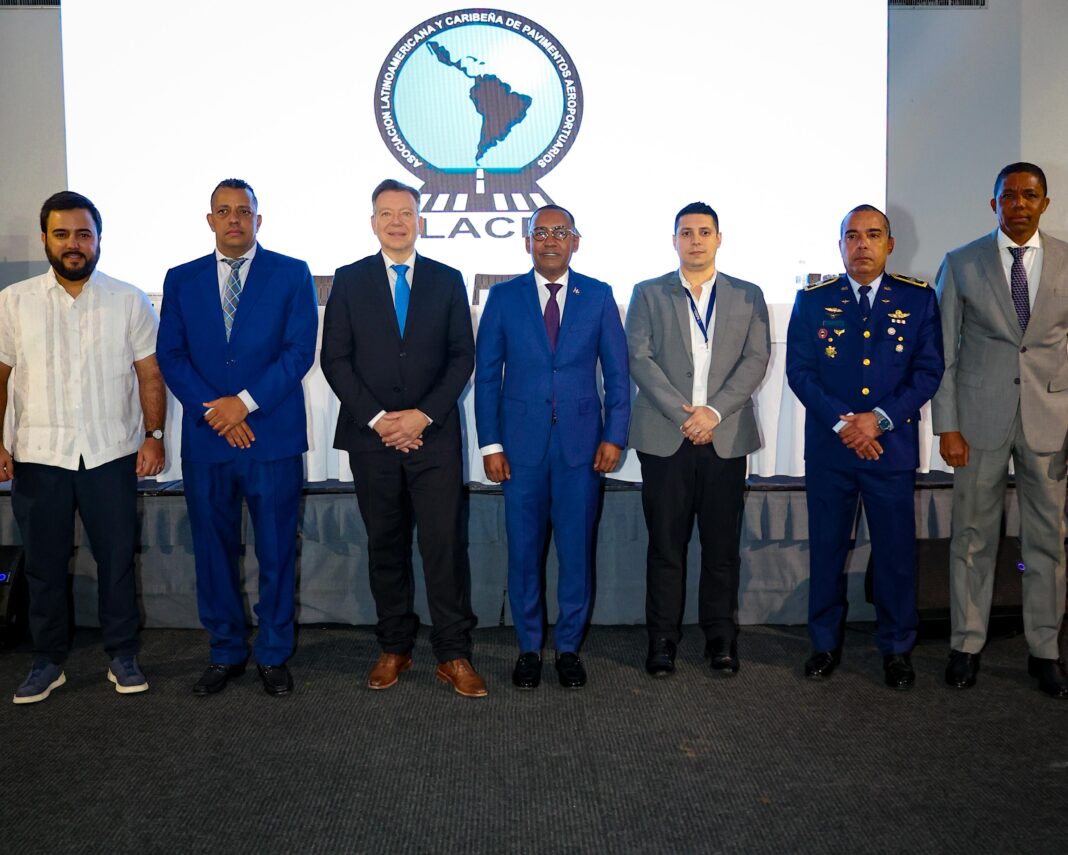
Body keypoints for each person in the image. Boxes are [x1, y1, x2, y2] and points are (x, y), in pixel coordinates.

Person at [320, 179, 485, 698]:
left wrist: (422, 417)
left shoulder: (447, 279)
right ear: (373, 223)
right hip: (372, 440)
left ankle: (453, 653)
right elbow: (335, 360)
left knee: (444, 547)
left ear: (420, 221)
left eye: (406, 213)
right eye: (387, 213)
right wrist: (380, 421)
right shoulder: (349, 280)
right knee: (385, 546)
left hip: (433, 440)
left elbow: (462, 356)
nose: (397, 222)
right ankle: (394, 647)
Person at [1, 191, 165, 704]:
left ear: (98, 239)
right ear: (45, 239)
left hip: (109, 454)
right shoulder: (14, 301)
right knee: (44, 566)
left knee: (116, 562)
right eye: (62, 234)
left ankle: (123, 655)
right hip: (38, 455)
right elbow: (1, 377)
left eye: (83, 234)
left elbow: (150, 374)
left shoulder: (129, 299)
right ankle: (48, 662)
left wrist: (155, 435)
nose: (74, 244)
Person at [156, 179, 316, 697]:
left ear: (257, 220)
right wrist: (217, 411)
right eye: (223, 211)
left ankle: (273, 653)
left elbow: (298, 351)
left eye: (243, 211)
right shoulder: (181, 279)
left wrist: (243, 404)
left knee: (276, 551)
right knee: (212, 550)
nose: (234, 219)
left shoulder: (292, 273)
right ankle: (225, 651)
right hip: (208, 440)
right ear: (210, 221)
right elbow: (171, 355)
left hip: (271, 437)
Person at [786, 205, 944, 689]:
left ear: (889, 244)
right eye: (852, 236)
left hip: (889, 449)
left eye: (873, 235)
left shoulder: (917, 299)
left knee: (895, 555)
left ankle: (896, 648)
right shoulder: (813, 300)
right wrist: (845, 423)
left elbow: (928, 372)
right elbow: (800, 372)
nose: (862, 245)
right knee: (827, 550)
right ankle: (824, 644)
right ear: (840, 246)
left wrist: (877, 420)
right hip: (831, 450)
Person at [474, 205, 630, 689]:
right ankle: (528, 648)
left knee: (576, 553)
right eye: (539, 233)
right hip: (519, 450)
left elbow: (618, 375)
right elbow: (487, 378)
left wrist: (614, 435)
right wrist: (490, 444)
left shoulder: (598, 295)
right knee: (524, 553)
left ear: (574, 241)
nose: (549, 240)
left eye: (559, 232)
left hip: (582, 450)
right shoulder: (503, 297)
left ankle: (567, 648)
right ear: (527, 242)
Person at [932, 162, 1068, 699]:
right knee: (972, 539)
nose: (1019, 204)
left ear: (1045, 203)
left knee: (1047, 541)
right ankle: (966, 645)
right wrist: (947, 425)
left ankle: (1045, 651)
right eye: (1008, 196)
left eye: (1029, 195)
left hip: (1050, 424)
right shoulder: (961, 263)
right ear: (994, 204)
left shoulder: (1067, 261)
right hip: (976, 424)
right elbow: (944, 353)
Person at [626, 202, 770, 678]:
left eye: (704, 232)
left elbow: (756, 360)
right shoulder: (647, 293)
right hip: (665, 437)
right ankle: (662, 640)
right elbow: (639, 358)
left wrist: (714, 412)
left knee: (721, 547)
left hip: (724, 437)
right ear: (674, 241)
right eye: (686, 233)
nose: (695, 240)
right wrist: (683, 415)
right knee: (665, 546)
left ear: (719, 239)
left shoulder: (748, 295)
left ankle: (720, 639)